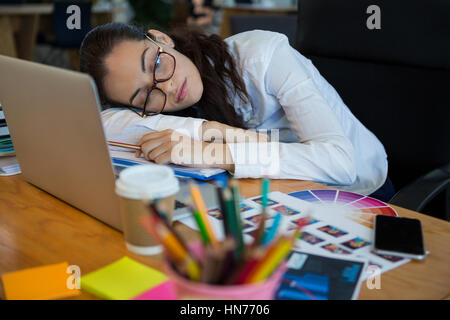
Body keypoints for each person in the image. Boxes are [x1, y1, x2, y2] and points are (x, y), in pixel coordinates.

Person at [79, 22, 394, 201]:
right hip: (279, 196)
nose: (169, 87)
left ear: (162, 39)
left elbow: (340, 163)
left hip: (358, 193)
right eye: (146, 94)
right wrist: (209, 136)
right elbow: (105, 123)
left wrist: (212, 152)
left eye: (157, 64)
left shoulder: (263, 56)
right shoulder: (163, 103)